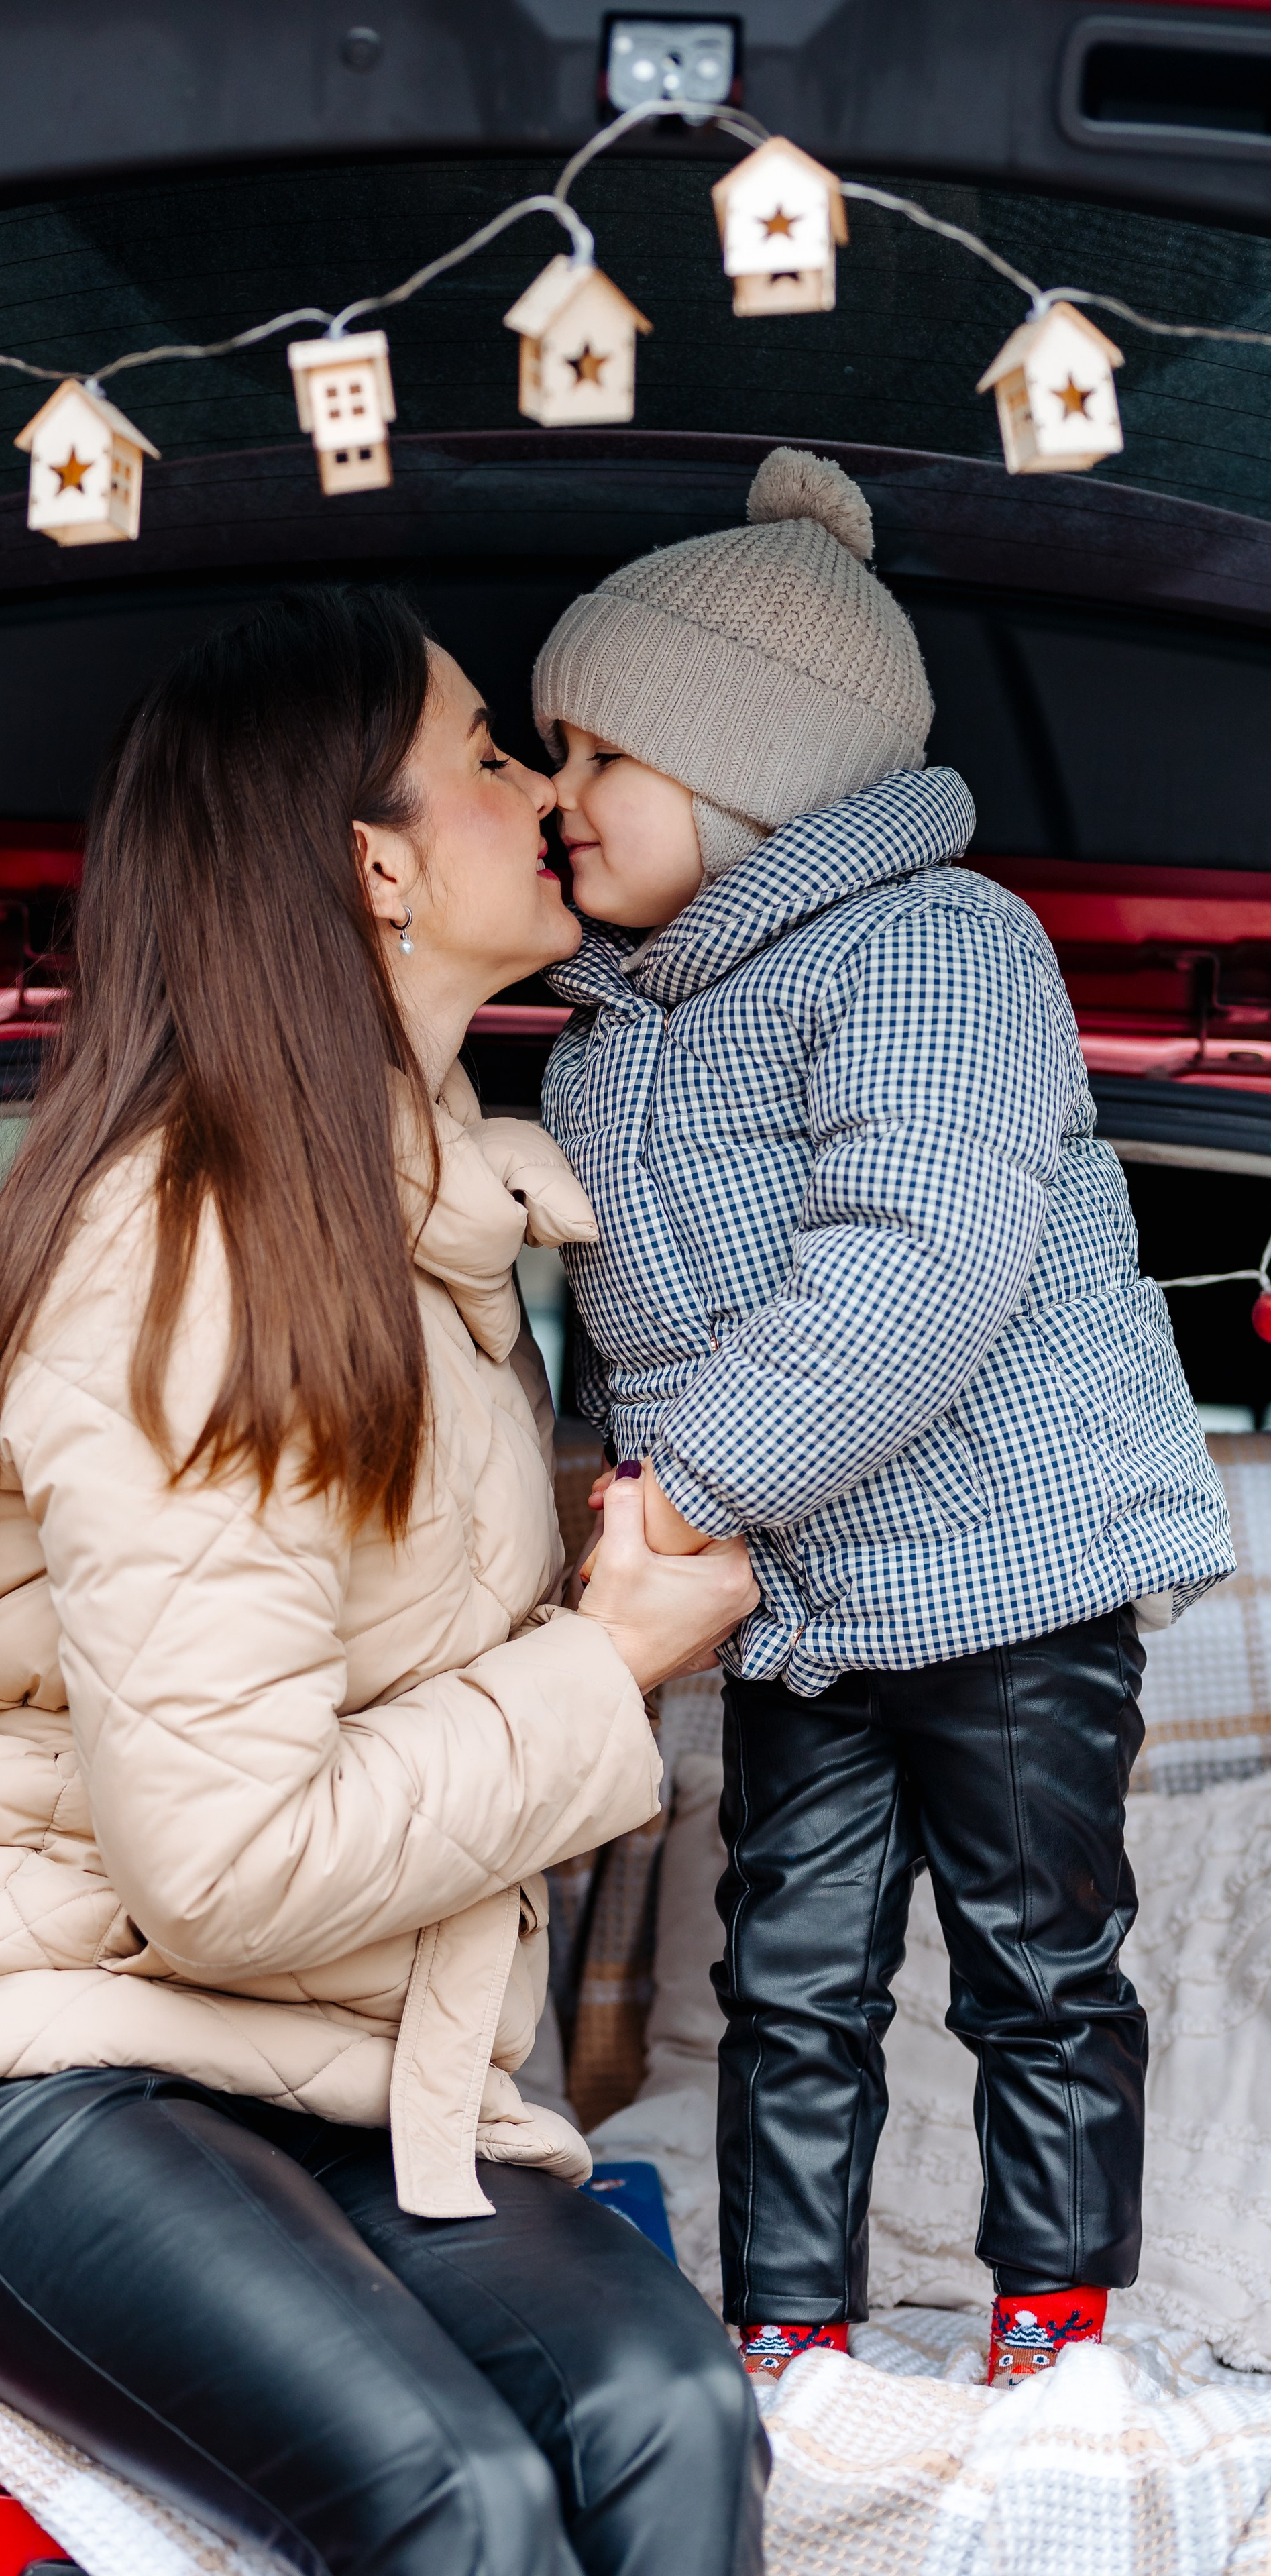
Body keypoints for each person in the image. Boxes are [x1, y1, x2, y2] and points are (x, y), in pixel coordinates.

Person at [0, 587, 767, 2575]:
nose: (547, 792)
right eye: (490, 755)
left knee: (675, 2418)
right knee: (457, 2497)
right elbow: (223, 1867)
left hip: (362, 2094)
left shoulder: (440, 1232)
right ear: (378, 868)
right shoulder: (192, 1257)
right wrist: (601, 1669)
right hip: (49, 2071)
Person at [533, 450, 1234, 2385]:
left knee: (1037, 1957)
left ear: (748, 768)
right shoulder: (611, 1037)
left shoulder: (936, 948)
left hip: (1011, 1566)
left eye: (600, 753)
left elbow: (920, 1254)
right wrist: (623, 1484)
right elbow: (628, 1321)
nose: (559, 796)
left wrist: (685, 1492)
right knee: (789, 1972)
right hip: (799, 1597)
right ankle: (787, 2323)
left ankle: (1052, 2317)